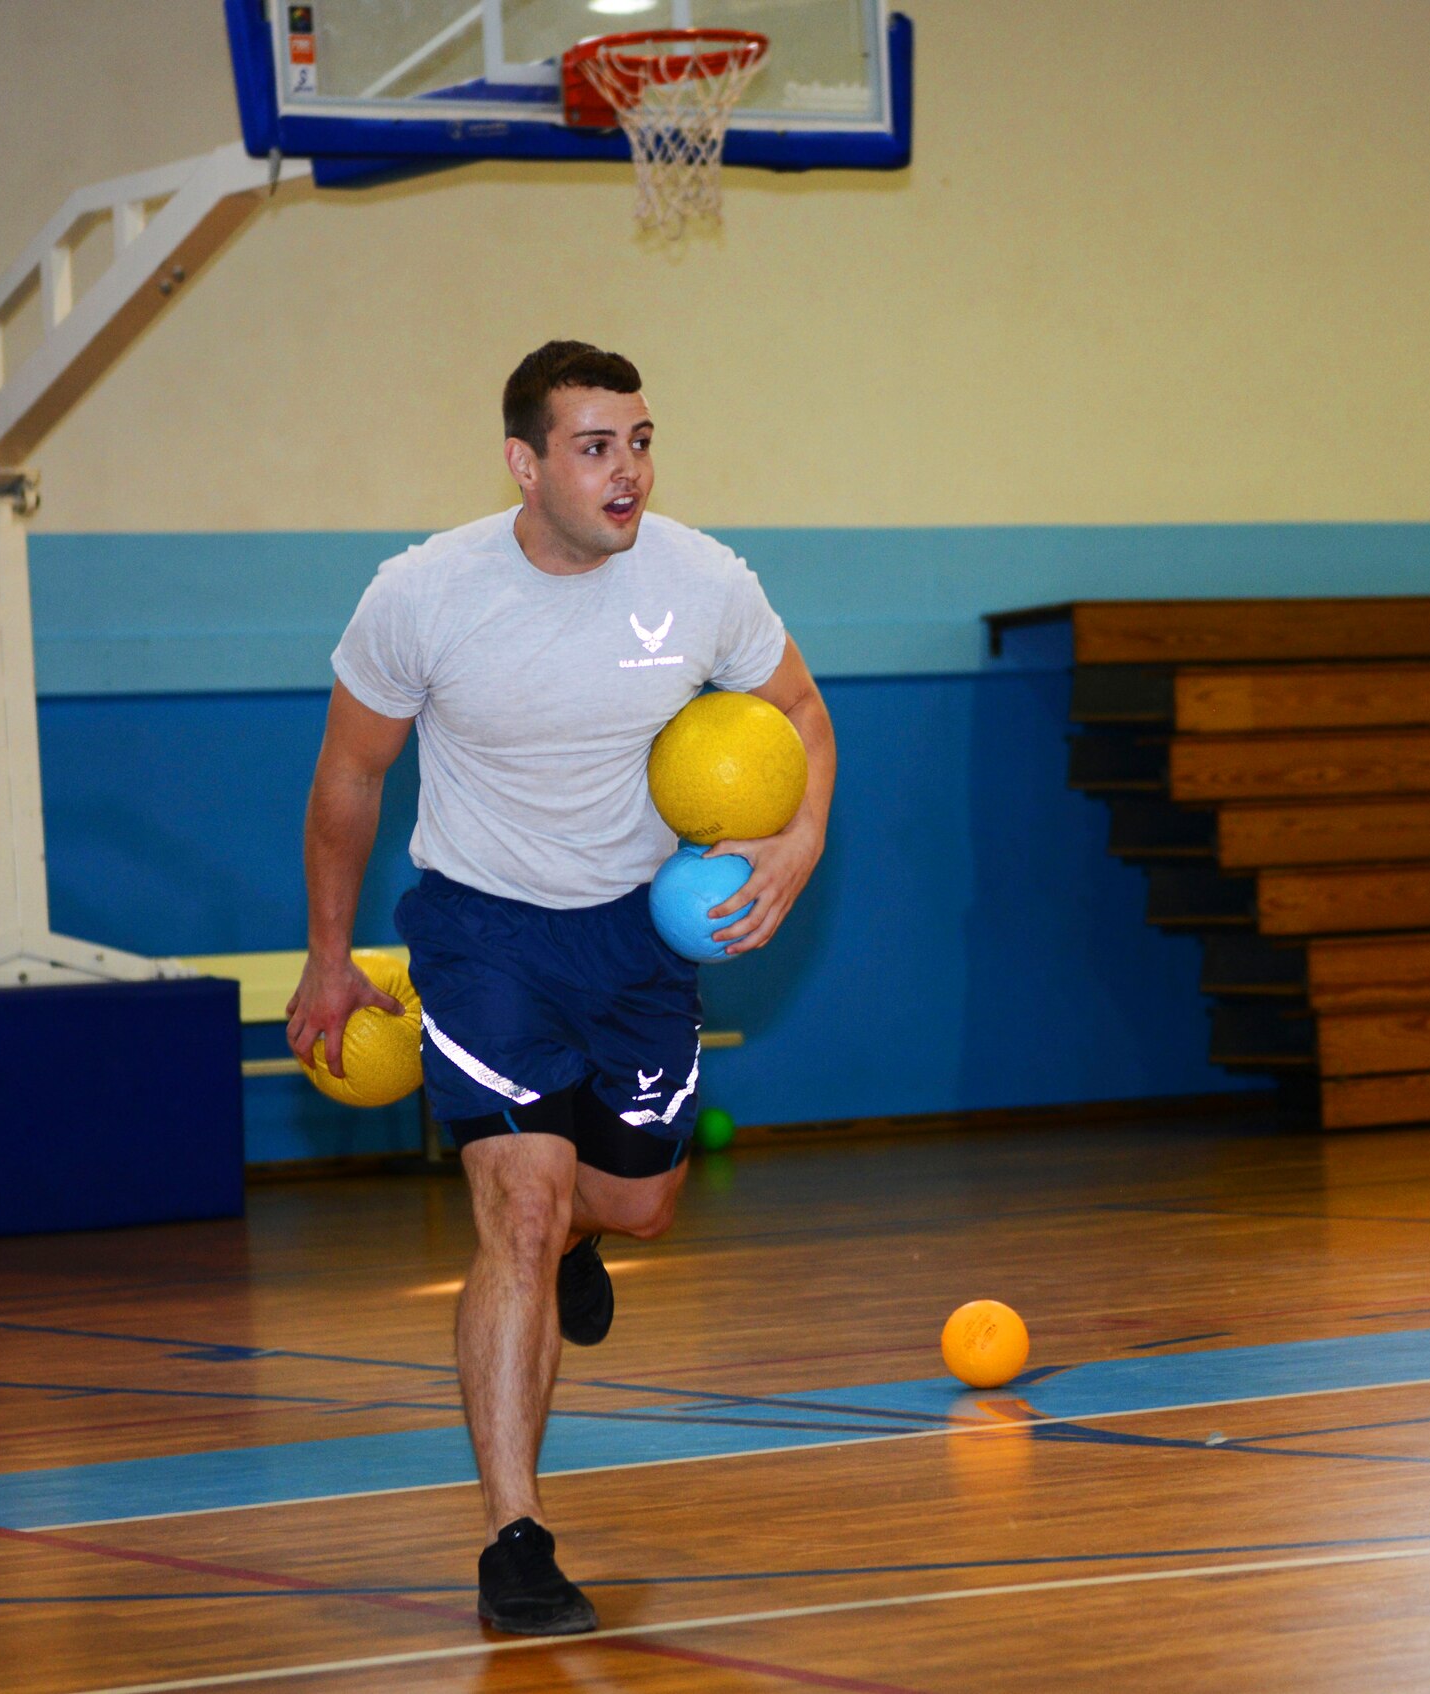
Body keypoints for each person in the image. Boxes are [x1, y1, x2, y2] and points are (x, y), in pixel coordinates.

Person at [285, 339, 835, 1635]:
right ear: (525, 463)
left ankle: (588, 1239)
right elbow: (350, 777)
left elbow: (801, 711)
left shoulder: (702, 578)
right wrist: (325, 953)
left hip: (639, 942)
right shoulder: (423, 594)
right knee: (517, 1213)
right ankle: (515, 1537)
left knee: (634, 1201)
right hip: (486, 934)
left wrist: (797, 840)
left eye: (641, 439)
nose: (627, 470)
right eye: (596, 446)